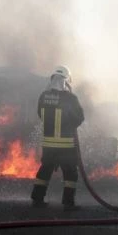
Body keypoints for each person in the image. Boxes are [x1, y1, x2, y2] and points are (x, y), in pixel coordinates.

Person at [30, 65, 85, 211]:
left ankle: (37, 199)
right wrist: (69, 123)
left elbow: (40, 115)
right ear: (66, 81)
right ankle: (68, 203)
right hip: (66, 145)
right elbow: (80, 118)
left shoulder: (43, 96)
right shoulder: (71, 98)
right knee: (70, 174)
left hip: (48, 145)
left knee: (45, 171)